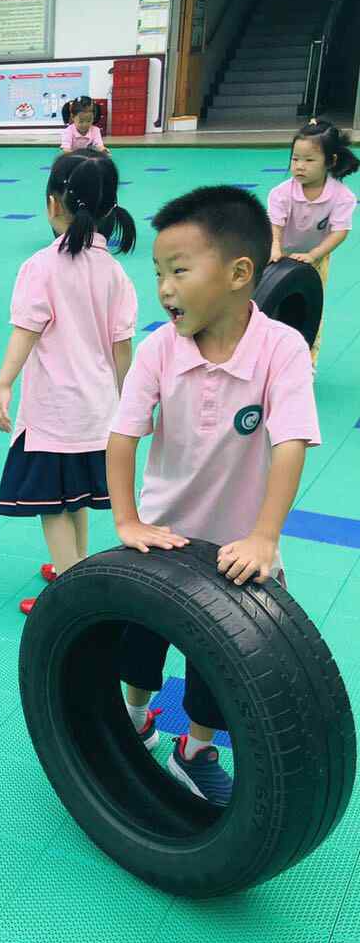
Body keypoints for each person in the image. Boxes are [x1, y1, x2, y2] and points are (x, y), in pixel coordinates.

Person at [108, 186, 320, 805]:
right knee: (140, 640)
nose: (164, 287)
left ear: (237, 274)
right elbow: (122, 438)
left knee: (220, 662)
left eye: (179, 270)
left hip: (235, 549)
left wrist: (263, 536)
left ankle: (194, 746)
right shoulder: (157, 349)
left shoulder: (280, 350)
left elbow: (291, 443)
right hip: (164, 537)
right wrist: (128, 520)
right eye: (156, 272)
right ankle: (137, 716)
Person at [0, 151, 137, 613]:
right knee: (73, 496)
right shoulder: (115, 272)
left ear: (54, 203)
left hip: (53, 412)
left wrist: (3, 383)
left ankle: (71, 599)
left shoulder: (43, 265)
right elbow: (122, 349)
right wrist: (126, 403)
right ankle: (75, 566)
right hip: (97, 409)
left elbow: (26, 331)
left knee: (51, 504)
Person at [267, 117, 357, 369]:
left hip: (315, 256)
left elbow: (339, 232)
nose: (299, 166)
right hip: (279, 251)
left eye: (309, 160)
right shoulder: (281, 192)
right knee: (270, 302)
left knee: (310, 307)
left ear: (331, 161)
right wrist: (275, 249)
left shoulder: (342, 197)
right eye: (295, 159)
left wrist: (315, 255)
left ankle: (307, 362)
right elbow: (276, 225)